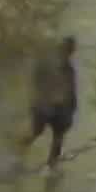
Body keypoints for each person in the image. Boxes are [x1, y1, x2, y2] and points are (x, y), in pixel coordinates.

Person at [20, 34, 80, 168]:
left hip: (58, 107)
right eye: (68, 49)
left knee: (57, 137)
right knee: (36, 132)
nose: (69, 53)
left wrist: (71, 107)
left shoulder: (68, 68)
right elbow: (37, 80)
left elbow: (71, 90)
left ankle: (52, 167)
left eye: (70, 50)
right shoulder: (51, 64)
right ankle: (20, 154)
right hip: (45, 105)